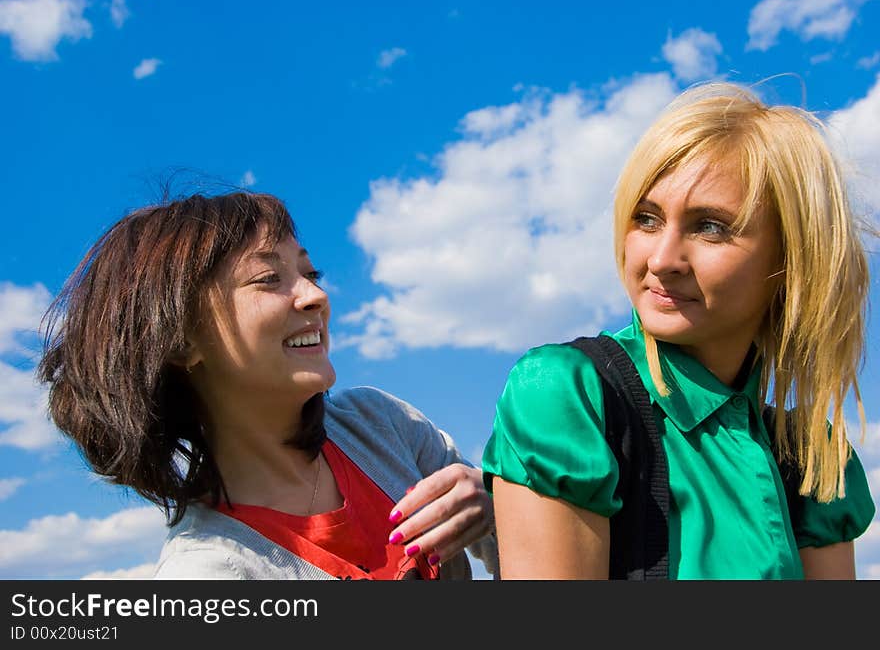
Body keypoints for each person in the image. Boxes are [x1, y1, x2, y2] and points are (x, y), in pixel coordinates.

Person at [482, 81, 875, 579]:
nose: (662, 260)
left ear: (792, 259)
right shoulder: (564, 394)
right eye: (645, 218)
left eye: (710, 226)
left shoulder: (814, 456)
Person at [39, 191, 497, 580]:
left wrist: (496, 500)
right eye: (268, 279)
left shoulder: (381, 424)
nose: (316, 297)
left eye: (310, 274)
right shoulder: (207, 572)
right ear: (180, 342)